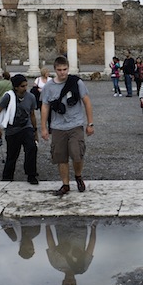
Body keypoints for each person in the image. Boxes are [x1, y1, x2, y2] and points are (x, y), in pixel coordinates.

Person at [40, 56, 94, 196]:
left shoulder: (77, 83)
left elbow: (87, 102)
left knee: (77, 154)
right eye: (59, 70)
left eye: (65, 69)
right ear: (55, 70)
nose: (62, 73)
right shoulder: (48, 87)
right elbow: (45, 107)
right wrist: (44, 128)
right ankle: (65, 184)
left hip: (75, 124)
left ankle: (78, 176)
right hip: (57, 126)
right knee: (61, 157)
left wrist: (90, 123)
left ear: (68, 69)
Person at [0, 74, 39, 184]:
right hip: (12, 130)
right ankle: (7, 177)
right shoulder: (8, 97)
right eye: (22, 86)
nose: (25, 88)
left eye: (26, 85)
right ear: (16, 87)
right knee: (12, 155)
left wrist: (35, 130)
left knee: (32, 148)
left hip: (26, 127)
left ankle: (31, 174)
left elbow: (32, 114)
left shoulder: (31, 97)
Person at [45, 221, 97, 285]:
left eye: (67, 284)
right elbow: (91, 246)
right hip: (80, 228)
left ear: (63, 282)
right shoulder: (82, 267)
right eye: (72, 284)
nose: (70, 282)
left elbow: (51, 243)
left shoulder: (55, 264)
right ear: (75, 282)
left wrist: (47, 226)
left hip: (62, 228)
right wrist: (93, 228)